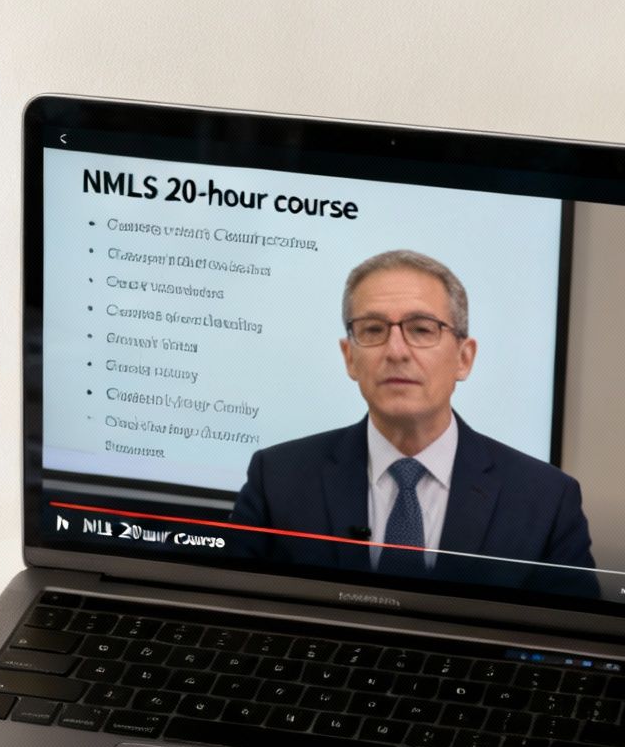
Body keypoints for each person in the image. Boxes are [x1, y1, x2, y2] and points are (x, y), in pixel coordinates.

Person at [229, 249, 597, 596]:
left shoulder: (545, 500)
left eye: (421, 329)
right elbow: (232, 609)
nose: (396, 351)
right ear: (350, 357)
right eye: (373, 330)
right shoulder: (276, 479)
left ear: (464, 358)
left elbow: (574, 638)